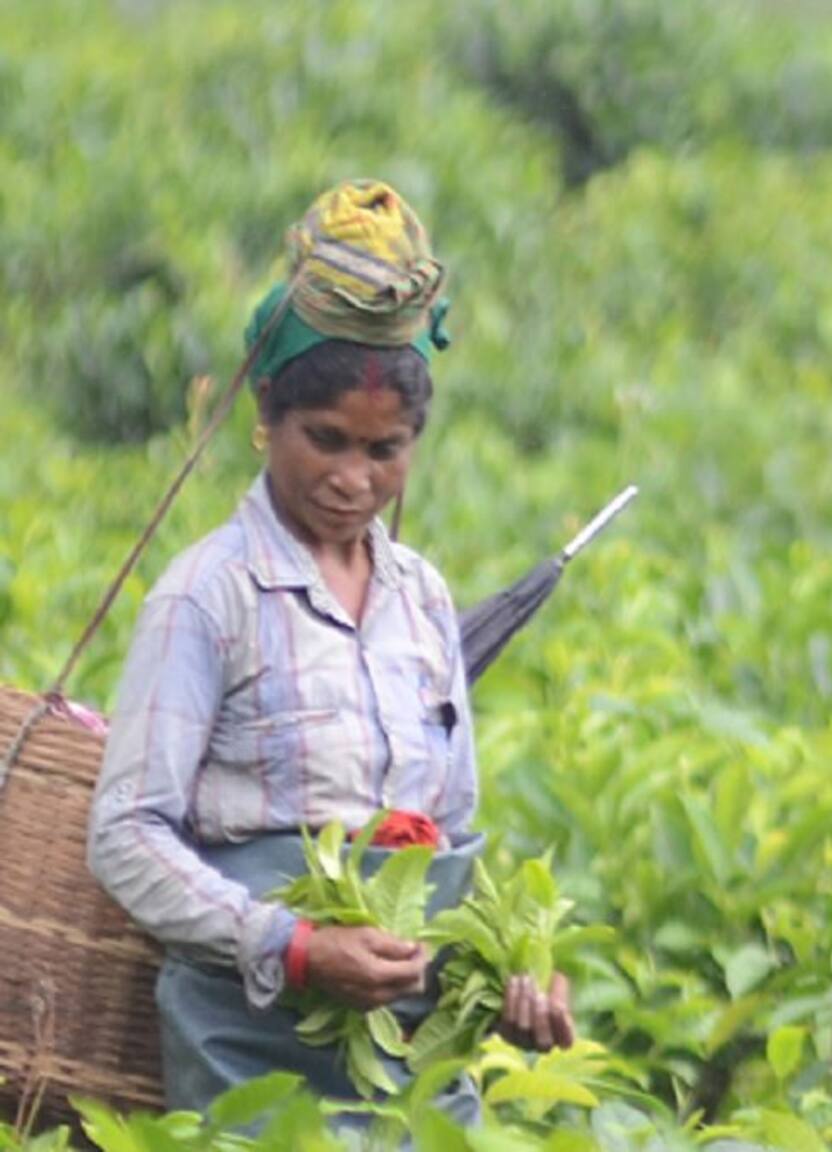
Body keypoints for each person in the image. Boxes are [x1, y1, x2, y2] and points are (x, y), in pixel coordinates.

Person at [87, 180, 572, 1116]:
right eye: (327, 440)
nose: (353, 479)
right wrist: (292, 945)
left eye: (385, 450)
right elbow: (126, 834)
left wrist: (514, 972)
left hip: (414, 1062)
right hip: (248, 1049)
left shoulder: (422, 599)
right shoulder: (207, 594)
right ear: (266, 411)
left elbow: (450, 841)